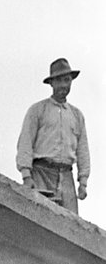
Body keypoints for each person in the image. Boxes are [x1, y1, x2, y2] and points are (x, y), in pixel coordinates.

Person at [16, 58, 90, 214]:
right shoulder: (38, 110)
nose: (64, 85)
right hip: (41, 174)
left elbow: (83, 150)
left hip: (66, 177)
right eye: (59, 80)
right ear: (51, 83)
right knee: (39, 218)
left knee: (70, 225)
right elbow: (25, 142)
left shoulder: (76, 115)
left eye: (67, 80)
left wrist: (83, 182)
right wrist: (26, 176)